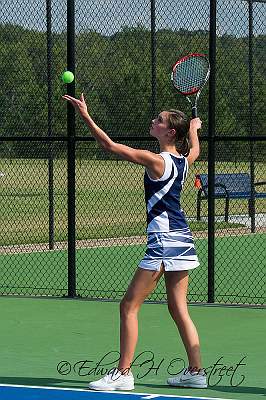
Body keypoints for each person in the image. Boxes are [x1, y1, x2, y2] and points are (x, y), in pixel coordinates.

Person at [62, 93, 207, 390]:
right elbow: (195, 151)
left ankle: (123, 374)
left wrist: (85, 115)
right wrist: (194, 130)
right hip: (183, 240)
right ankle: (196, 372)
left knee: (128, 306)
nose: (153, 122)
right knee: (179, 309)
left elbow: (109, 146)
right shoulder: (183, 162)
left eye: (159, 121)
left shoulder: (155, 160)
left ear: (169, 132)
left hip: (164, 241)